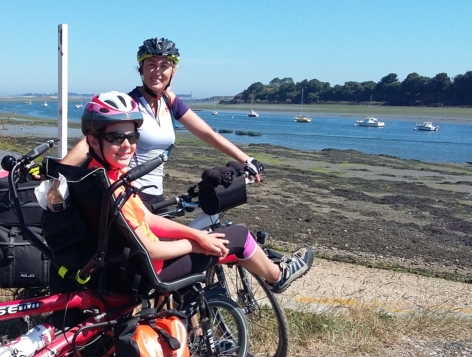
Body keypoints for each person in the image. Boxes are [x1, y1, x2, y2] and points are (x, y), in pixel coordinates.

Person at [78, 91, 312, 292]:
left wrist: (196, 235)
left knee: (199, 236)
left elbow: (147, 218)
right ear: (94, 141)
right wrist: (196, 244)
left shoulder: (103, 175)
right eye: (116, 138)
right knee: (238, 234)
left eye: (132, 136)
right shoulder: (113, 187)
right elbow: (151, 249)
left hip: (129, 267)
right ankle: (277, 276)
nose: (127, 145)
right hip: (150, 270)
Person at [62, 37, 265, 212]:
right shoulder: (129, 105)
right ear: (141, 69)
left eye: (164, 65)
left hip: (157, 195)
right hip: (129, 194)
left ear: (173, 71)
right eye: (151, 64)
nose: (157, 71)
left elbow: (207, 134)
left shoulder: (170, 101)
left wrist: (247, 159)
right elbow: (91, 142)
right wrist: (57, 171)